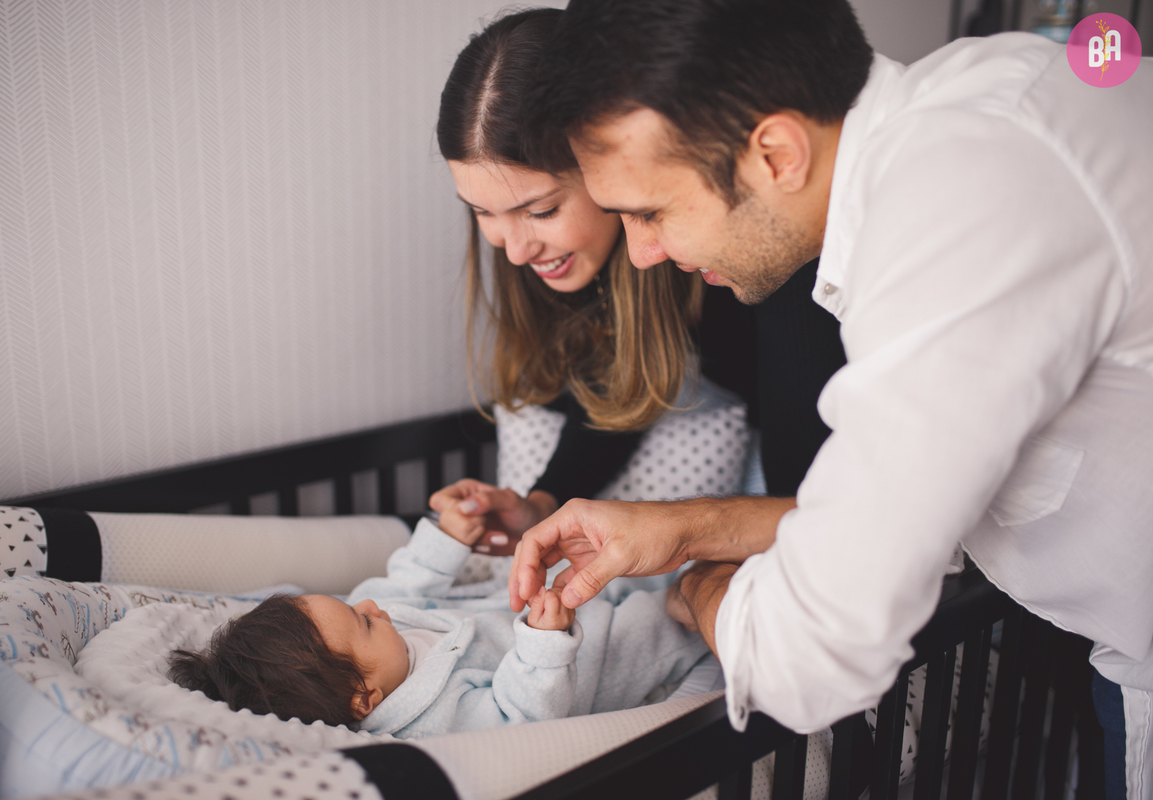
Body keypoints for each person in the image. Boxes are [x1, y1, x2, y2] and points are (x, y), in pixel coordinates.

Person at [505, 0, 1153, 793]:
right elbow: (926, 510)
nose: (642, 255)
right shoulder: (970, 100)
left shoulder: (958, 207)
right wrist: (684, 530)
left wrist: (702, 589)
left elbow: (807, 657)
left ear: (775, 154)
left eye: (652, 212)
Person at [426, 8, 845, 554]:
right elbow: (615, 379)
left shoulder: (765, 258)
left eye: (543, 210)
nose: (514, 249)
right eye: (482, 212)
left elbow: (811, 506)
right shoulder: (590, 263)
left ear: (610, 169)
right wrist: (544, 502)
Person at [168, 516, 708, 738]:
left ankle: (689, 569)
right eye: (363, 621)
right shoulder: (437, 720)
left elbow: (404, 584)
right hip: (593, 663)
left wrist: (446, 538)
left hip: (545, 609)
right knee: (662, 620)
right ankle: (703, 602)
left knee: (624, 568)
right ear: (364, 698)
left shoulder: (376, 641)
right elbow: (519, 716)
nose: (374, 606)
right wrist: (543, 647)